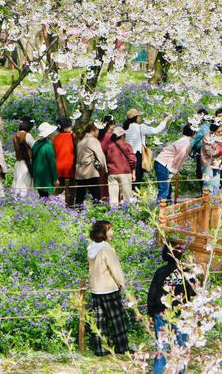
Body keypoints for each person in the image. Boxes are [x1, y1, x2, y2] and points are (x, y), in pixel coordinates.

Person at [147, 244, 196, 374]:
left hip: (162, 312)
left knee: (162, 346)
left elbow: (153, 293)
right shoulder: (187, 271)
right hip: (182, 312)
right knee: (181, 345)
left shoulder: (161, 272)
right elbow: (194, 292)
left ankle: (158, 371)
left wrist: (151, 312)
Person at [87, 220, 130, 356]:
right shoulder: (107, 249)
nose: (112, 232)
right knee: (117, 319)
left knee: (100, 321)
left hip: (96, 289)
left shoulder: (91, 247)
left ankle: (100, 349)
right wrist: (122, 284)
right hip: (109, 289)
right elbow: (115, 269)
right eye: (110, 230)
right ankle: (121, 347)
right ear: (103, 233)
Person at [123, 109, 171, 190]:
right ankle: (135, 198)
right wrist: (165, 121)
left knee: (129, 178)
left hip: (126, 156)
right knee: (137, 178)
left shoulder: (125, 128)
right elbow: (156, 130)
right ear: (136, 118)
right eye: (139, 116)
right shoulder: (141, 127)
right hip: (137, 156)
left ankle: (128, 197)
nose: (140, 118)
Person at [154, 125, 195, 203]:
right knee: (164, 189)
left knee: (167, 188)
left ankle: (167, 209)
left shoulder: (183, 140)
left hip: (162, 162)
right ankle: (160, 211)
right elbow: (180, 158)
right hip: (164, 163)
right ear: (193, 133)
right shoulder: (186, 143)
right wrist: (174, 171)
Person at [75, 123, 107, 206]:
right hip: (90, 171)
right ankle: (98, 211)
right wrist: (104, 170)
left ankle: (78, 212)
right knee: (96, 194)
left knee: (80, 195)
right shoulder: (92, 140)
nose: (98, 132)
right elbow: (100, 156)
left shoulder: (81, 140)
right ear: (93, 130)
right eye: (98, 130)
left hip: (79, 171)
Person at [103, 127, 136, 207]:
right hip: (124, 172)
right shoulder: (127, 146)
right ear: (122, 135)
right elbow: (133, 160)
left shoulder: (108, 147)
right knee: (127, 196)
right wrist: (133, 173)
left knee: (113, 197)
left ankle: (113, 213)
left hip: (112, 173)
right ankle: (129, 213)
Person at [31, 122, 59, 198]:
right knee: (46, 196)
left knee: (41, 195)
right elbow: (52, 163)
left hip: (37, 174)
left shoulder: (36, 144)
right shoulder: (48, 146)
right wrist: (55, 178)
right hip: (46, 175)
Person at [53, 117, 76, 207]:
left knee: (59, 188)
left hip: (59, 166)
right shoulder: (72, 136)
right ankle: (70, 206)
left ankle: (49, 202)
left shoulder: (56, 138)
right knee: (71, 189)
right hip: (70, 166)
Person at [200, 123, 222, 195]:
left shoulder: (221, 138)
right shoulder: (207, 138)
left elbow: (221, 154)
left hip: (217, 164)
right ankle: (207, 204)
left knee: (216, 185)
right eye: (219, 132)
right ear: (213, 132)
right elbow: (210, 153)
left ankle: (214, 203)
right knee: (208, 185)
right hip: (207, 164)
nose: (221, 133)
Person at [12, 118, 35, 196]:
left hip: (18, 163)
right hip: (26, 163)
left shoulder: (15, 136)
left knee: (18, 184)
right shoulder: (27, 135)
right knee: (25, 185)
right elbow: (34, 147)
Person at [190, 109, 212, 189]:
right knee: (208, 171)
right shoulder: (211, 125)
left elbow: (195, 140)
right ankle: (208, 192)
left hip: (202, 151)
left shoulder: (201, 127)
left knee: (200, 172)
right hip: (212, 151)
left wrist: (190, 147)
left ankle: (203, 192)